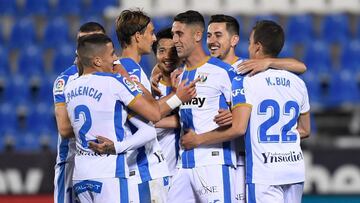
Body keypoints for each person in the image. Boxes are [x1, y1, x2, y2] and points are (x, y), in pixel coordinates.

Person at [182, 20, 311, 203]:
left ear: (256, 47)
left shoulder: (245, 77)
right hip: (294, 168)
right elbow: (305, 130)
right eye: (209, 36)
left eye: (250, 42)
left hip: (261, 170)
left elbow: (239, 128)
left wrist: (200, 138)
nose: (248, 46)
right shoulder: (298, 82)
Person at [64, 33, 162, 202]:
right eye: (112, 54)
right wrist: (117, 147)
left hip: (81, 175)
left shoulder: (69, 87)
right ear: (97, 61)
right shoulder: (115, 82)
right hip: (109, 173)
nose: (116, 59)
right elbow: (155, 114)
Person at [114, 9, 198, 202]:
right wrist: (178, 98)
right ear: (137, 36)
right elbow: (150, 114)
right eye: (150, 33)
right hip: (144, 168)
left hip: (156, 168)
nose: (153, 38)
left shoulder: (129, 69)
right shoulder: (130, 69)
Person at [167, 10, 238, 203]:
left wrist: (234, 114)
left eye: (179, 34)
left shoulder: (223, 71)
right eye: (173, 34)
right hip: (184, 164)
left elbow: (244, 116)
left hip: (213, 163)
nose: (174, 40)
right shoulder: (178, 76)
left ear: (197, 35)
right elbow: (176, 118)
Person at [52, 22, 106, 203]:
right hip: (72, 161)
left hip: (108, 161)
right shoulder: (65, 80)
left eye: (94, 40)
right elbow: (65, 129)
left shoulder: (116, 76)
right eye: (83, 42)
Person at [151, 27, 182, 184]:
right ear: (155, 55)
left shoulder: (190, 82)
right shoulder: (148, 88)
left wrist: (153, 121)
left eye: (173, 51)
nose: (167, 56)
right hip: (157, 170)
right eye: (162, 51)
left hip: (185, 171)